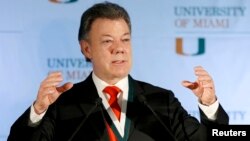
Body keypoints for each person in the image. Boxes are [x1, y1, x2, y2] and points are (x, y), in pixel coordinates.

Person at [7, 1, 229, 141]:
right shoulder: (63, 104)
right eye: (107, 41)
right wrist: (38, 111)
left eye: (125, 40)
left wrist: (209, 107)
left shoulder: (160, 100)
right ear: (86, 48)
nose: (120, 49)